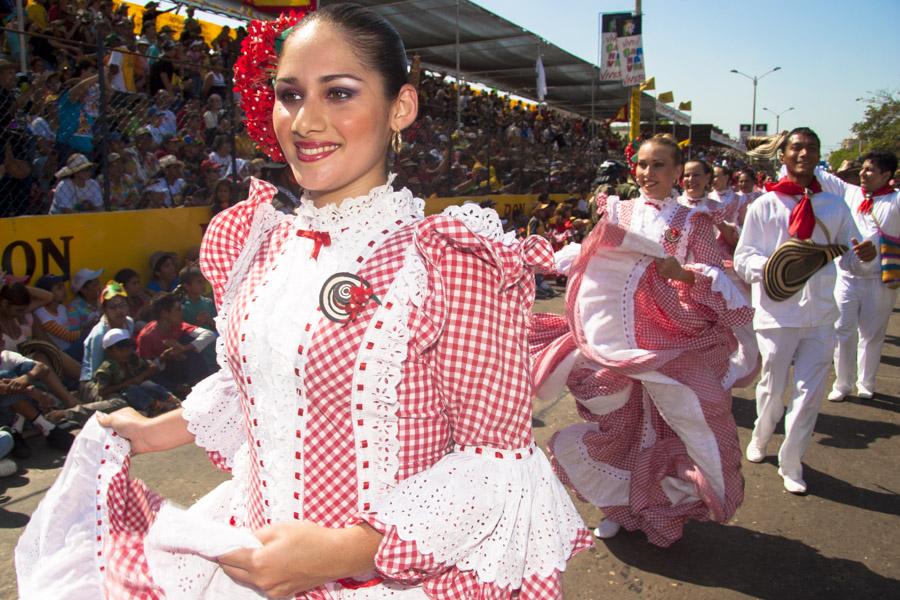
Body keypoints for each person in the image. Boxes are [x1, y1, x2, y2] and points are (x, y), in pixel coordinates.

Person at [22, 5, 591, 598]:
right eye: (290, 94)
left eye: (339, 93)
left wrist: (345, 552)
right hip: (256, 557)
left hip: (385, 580)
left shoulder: (451, 261)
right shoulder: (258, 243)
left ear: (401, 108)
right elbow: (259, 385)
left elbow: (494, 466)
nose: (305, 120)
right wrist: (149, 432)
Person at [534, 134, 752, 547]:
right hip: (614, 340)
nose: (648, 174)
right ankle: (612, 507)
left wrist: (683, 273)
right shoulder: (619, 211)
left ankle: (660, 507)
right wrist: (550, 258)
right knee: (619, 426)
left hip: (671, 338)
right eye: (643, 165)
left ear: (676, 172)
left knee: (678, 425)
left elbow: (715, 272)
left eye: (659, 166)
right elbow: (591, 254)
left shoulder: (693, 221)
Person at [734, 127, 877, 494]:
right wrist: (778, 266)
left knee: (810, 393)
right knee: (772, 387)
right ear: (783, 156)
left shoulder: (834, 206)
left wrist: (864, 258)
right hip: (777, 313)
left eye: (811, 148)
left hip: (821, 315)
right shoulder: (764, 205)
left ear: (818, 156)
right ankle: (762, 436)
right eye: (796, 148)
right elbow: (743, 258)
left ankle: (791, 460)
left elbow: (850, 259)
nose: (803, 153)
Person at [812, 151, 900, 402]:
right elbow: (819, 174)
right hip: (847, 276)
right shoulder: (850, 192)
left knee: (872, 334)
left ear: (886, 175)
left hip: (879, 280)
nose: (863, 173)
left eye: (870, 170)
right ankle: (842, 384)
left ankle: (866, 382)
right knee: (842, 330)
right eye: (862, 169)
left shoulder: (896, 201)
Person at [0, 349, 75, 454]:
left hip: (28, 413)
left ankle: (17, 431)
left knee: (27, 368)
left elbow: (43, 368)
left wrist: (26, 378)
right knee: (4, 375)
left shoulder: (7, 356)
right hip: (4, 418)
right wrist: (32, 391)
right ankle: (47, 428)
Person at [136, 292, 214, 392]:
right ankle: (179, 388)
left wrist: (183, 348)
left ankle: (199, 382)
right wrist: (164, 357)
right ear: (164, 313)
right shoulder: (146, 337)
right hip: (161, 373)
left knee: (188, 341)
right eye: (177, 309)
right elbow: (144, 369)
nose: (182, 311)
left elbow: (209, 335)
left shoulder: (178, 325)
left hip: (179, 367)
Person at [91, 328, 179, 416]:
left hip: (136, 388)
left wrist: (141, 376)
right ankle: (157, 406)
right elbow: (102, 392)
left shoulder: (132, 358)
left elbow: (152, 367)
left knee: (147, 384)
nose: (126, 353)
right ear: (110, 352)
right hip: (120, 394)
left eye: (128, 349)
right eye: (121, 350)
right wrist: (126, 384)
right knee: (131, 390)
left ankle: (172, 399)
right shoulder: (106, 369)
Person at [33, 274, 85, 361]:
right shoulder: (41, 313)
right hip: (62, 355)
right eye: (59, 288)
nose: (64, 290)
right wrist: (88, 330)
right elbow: (69, 336)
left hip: (73, 348)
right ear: (47, 293)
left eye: (63, 286)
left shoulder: (62, 307)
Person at [178, 266, 216, 331]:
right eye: (199, 282)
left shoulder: (208, 302)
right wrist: (198, 323)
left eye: (204, 281)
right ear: (186, 286)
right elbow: (182, 333)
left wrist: (209, 320)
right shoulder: (182, 307)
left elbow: (218, 328)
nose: (203, 285)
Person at [68, 267, 103, 332]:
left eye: (98, 283)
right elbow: (74, 335)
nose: (99, 287)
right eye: (95, 285)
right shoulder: (74, 308)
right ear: (83, 290)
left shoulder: (104, 301)